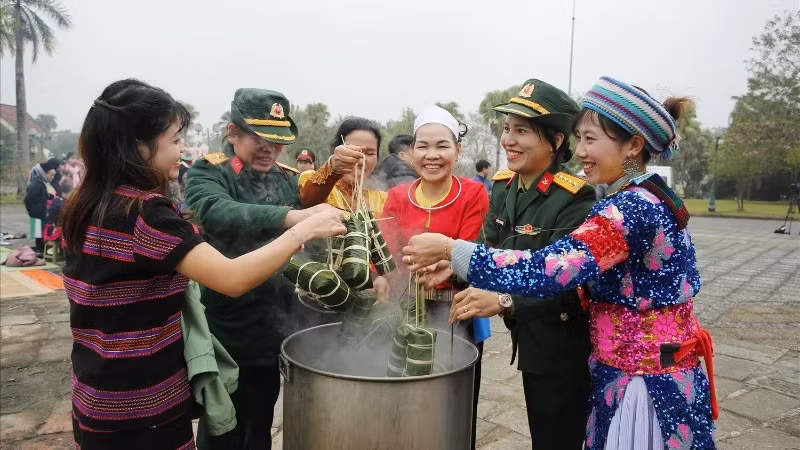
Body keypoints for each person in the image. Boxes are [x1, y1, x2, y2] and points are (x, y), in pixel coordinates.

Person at [403, 77, 718, 450]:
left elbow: (548, 271)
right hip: (634, 372)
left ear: (633, 146)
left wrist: (451, 250)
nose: (580, 151)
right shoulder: (642, 196)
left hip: (644, 385)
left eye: (590, 140)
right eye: (579, 138)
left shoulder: (629, 210)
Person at [60, 79, 345, 450]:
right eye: (176, 139)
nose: (182, 148)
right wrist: (297, 226)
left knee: (257, 423)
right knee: (225, 431)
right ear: (138, 146)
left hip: (100, 390)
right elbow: (230, 268)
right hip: (149, 397)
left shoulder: (86, 203)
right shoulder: (150, 209)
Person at [185, 88, 341, 450]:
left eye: (277, 140)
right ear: (232, 133)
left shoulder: (286, 177)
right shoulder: (209, 173)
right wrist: (294, 218)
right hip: (229, 327)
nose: (269, 148)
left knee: (261, 424)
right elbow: (217, 211)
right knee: (223, 427)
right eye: (259, 137)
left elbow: (309, 221)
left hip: (275, 324)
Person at [461, 79, 596, 449]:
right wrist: (453, 264)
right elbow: (488, 244)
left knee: (558, 437)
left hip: (562, 345)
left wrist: (505, 301)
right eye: (507, 129)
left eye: (522, 131)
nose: (508, 140)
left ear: (555, 142)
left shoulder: (575, 199)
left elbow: (569, 284)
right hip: (530, 337)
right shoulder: (504, 185)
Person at [381, 105, 489, 450]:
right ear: (411, 152)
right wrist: (383, 274)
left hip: (456, 311)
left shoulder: (473, 194)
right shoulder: (397, 197)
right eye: (423, 146)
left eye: (442, 145)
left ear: (458, 151)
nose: (432, 155)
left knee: (453, 403)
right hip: (407, 309)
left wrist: (444, 263)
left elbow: (468, 250)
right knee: (404, 396)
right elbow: (388, 251)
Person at [298, 117, 386, 214]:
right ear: (336, 151)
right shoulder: (313, 180)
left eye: (370, 153)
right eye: (352, 151)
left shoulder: (382, 200)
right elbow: (308, 201)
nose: (361, 160)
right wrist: (333, 166)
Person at [24, 157, 60, 255]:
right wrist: (31, 210)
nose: (52, 177)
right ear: (44, 173)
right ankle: (40, 251)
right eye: (51, 175)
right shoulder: (37, 184)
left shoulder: (44, 183)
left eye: (53, 175)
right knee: (38, 233)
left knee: (41, 232)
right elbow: (28, 199)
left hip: (42, 213)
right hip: (37, 213)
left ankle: (42, 251)